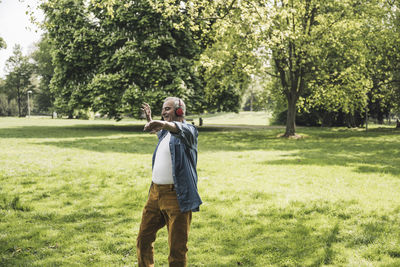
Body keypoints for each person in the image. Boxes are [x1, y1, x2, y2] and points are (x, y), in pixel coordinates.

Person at [137, 97, 202, 267]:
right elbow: (160, 131)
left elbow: (178, 128)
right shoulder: (165, 133)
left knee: (177, 248)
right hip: (155, 194)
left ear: (179, 111)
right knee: (143, 238)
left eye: (167, 109)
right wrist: (151, 121)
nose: (163, 112)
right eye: (163, 109)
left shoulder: (189, 131)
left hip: (177, 196)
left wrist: (162, 123)